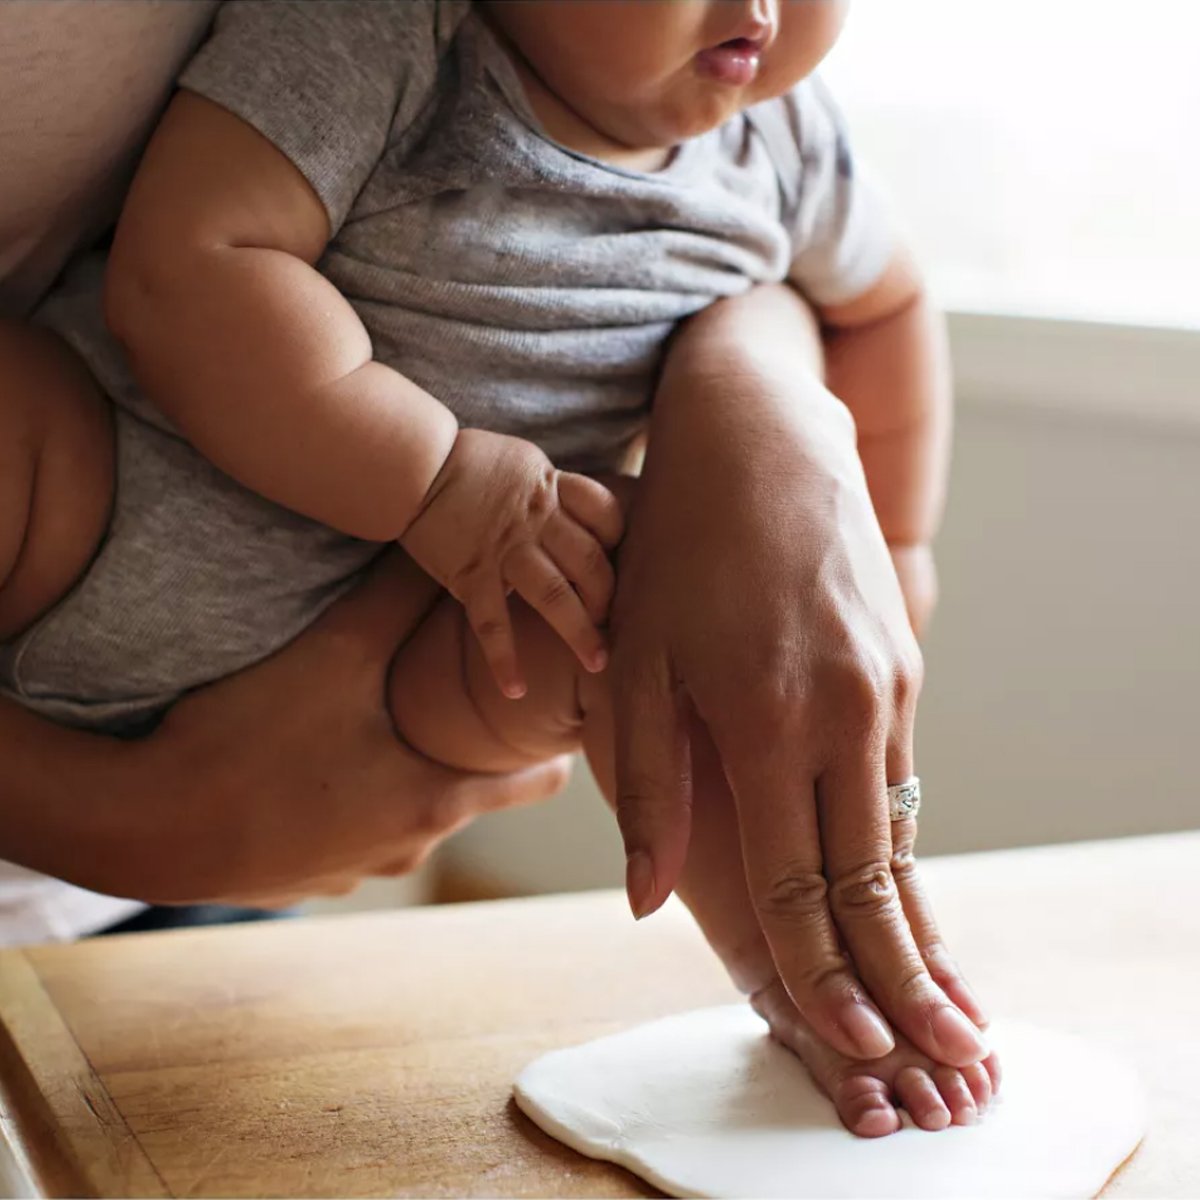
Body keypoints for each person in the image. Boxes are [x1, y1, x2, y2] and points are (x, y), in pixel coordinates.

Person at [0, 0, 995, 1138]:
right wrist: (431, 480)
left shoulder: (791, 145)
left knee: (635, 636)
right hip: (102, 499)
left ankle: (798, 986)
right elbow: (193, 265)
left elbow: (887, 305)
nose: (760, 9)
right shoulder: (388, 41)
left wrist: (902, 550)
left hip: (418, 652)